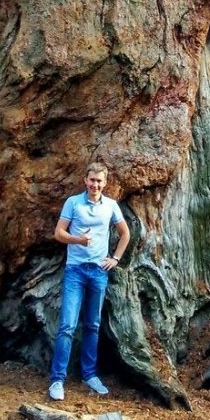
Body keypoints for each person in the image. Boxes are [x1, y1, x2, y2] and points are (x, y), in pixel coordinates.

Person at [48, 162, 131, 401]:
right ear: (85, 180)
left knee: (93, 324)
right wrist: (78, 240)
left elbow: (125, 233)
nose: (95, 185)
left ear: (105, 183)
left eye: (99, 181)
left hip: (98, 271)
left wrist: (115, 258)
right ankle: (57, 380)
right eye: (92, 180)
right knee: (67, 325)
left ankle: (90, 374)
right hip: (75, 270)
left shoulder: (111, 206)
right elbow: (58, 233)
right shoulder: (73, 203)